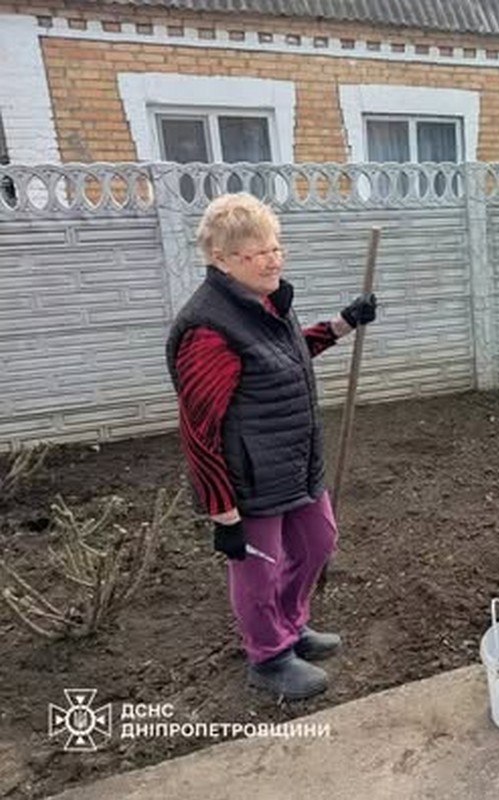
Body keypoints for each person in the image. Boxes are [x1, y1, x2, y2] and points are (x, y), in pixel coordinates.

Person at [165, 193, 378, 700]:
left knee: (317, 541)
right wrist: (223, 515)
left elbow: (286, 353)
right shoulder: (208, 329)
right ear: (221, 259)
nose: (274, 259)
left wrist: (344, 324)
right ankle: (268, 656)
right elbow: (199, 430)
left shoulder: (264, 302)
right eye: (257, 252)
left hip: (296, 462)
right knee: (257, 569)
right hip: (250, 478)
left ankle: (290, 624)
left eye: (276, 247)